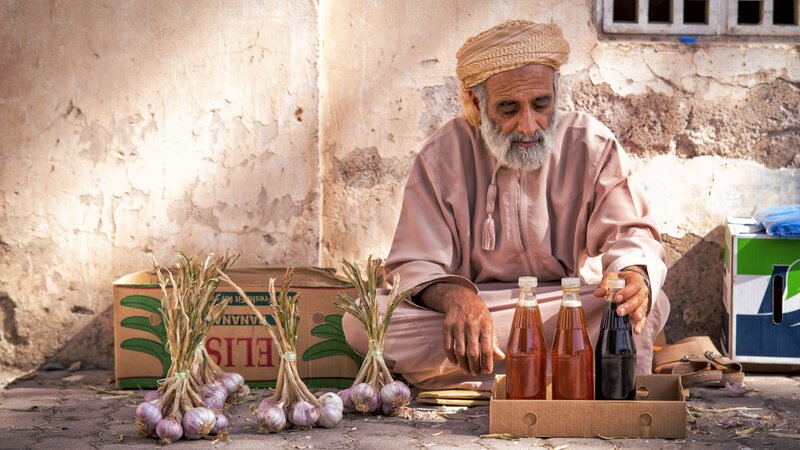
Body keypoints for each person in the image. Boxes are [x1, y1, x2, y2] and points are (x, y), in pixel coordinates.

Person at [343, 20, 669, 390]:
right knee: (362, 319)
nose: (528, 125)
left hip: (562, 307)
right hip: (474, 307)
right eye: (509, 108)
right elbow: (414, 263)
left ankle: (482, 374)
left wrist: (634, 275)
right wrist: (455, 298)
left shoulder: (589, 144)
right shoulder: (444, 154)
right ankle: (565, 370)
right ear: (478, 102)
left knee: (646, 304)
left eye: (540, 104)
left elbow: (633, 233)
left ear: (555, 94)